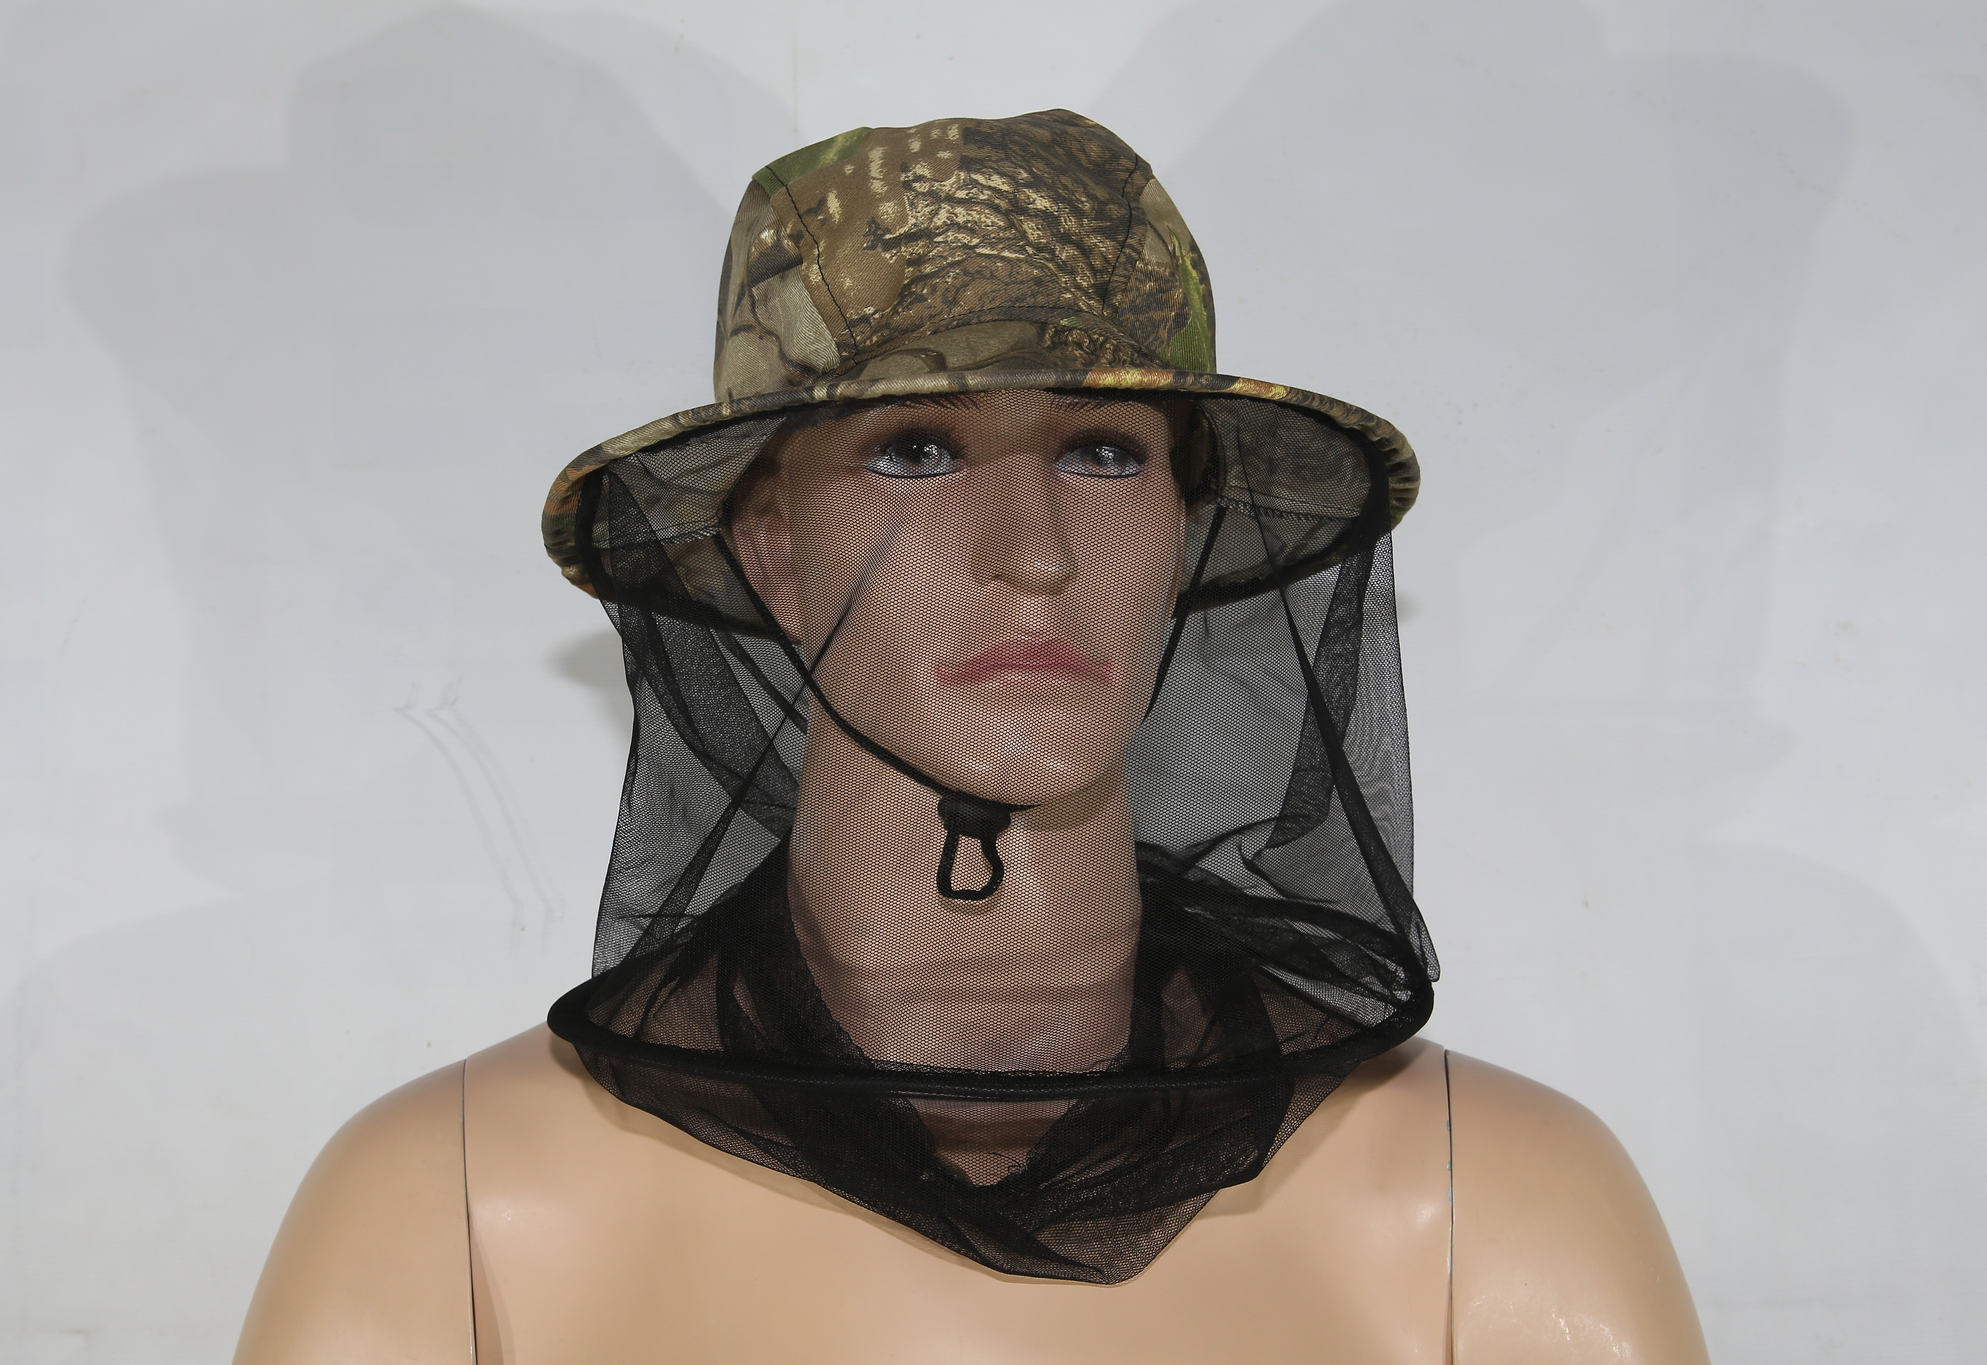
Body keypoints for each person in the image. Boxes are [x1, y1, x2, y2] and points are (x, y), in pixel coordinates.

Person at [235, 110, 1709, 1363]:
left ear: (1185, 534)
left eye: (1103, 452)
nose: (1035, 552)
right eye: (918, 451)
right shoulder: (446, 1207)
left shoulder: (1493, 1207)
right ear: (770, 544)